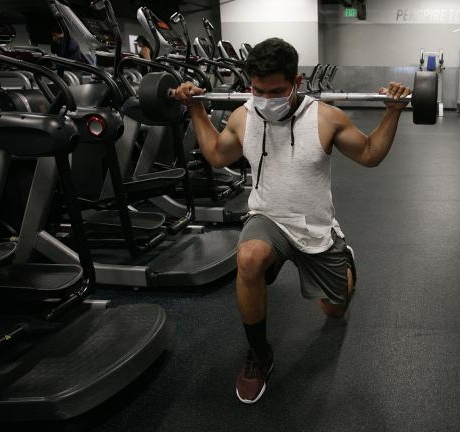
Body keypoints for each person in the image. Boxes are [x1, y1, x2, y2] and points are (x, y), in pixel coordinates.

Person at [171, 37, 410, 404]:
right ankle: (259, 354)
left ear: (296, 82)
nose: (266, 98)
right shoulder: (243, 115)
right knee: (248, 259)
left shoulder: (326, 117)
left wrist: (392, 111)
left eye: (277, 90)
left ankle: (344, 263)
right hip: (267, 216)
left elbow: (370, 154)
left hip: (314, 226)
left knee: (334, 309)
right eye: (258, 89)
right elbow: (218, 155)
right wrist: (197, 112)